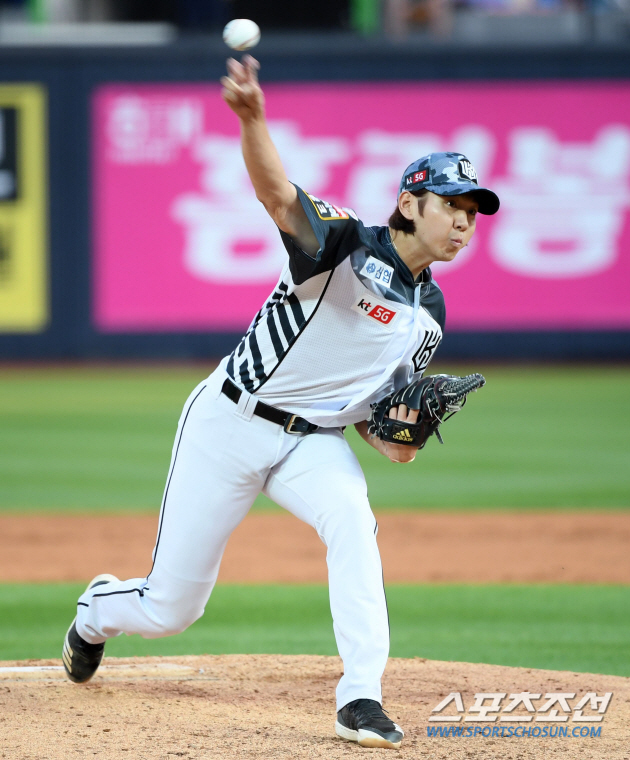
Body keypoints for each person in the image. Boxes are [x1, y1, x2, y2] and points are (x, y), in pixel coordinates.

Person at [61, 56, 500, 750]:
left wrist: (403, 437)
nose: (464, 222)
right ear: (410, 203)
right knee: (172, 608)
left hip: (312, 441)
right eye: (451, 205)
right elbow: (277, 196)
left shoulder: (432, 315)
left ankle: (360, 697)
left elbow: (379, 426)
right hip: (230, 420)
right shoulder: (345, 244)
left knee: (353, 519)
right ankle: (94, 613)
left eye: (472, 212)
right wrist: (252, 119)